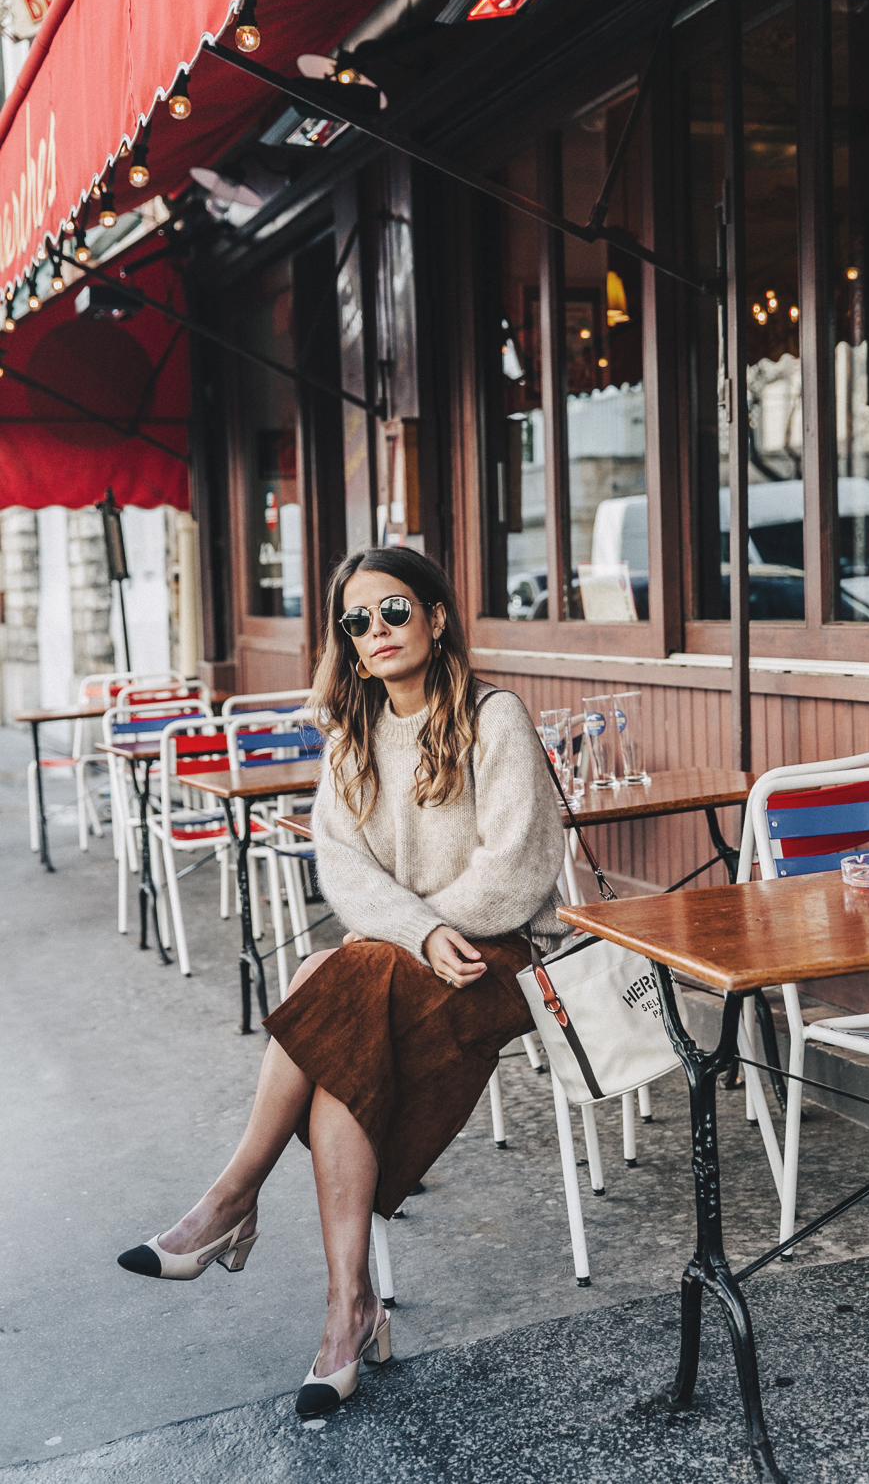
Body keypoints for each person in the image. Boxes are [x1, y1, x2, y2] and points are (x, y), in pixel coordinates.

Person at [117, 547, 567, 1416]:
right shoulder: (353, 737)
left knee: (332, 971)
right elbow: (345, 872)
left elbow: (518, 869)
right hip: (409, 958)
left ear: (437, 617)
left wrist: (432, 931)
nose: (377, 631)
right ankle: (345, 1306)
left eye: (394, 610)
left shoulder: (493, 715)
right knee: (344, 999)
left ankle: (239, 1203)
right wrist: (418, 932)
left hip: (504, 954)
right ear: (347, 643)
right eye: (356, 621)